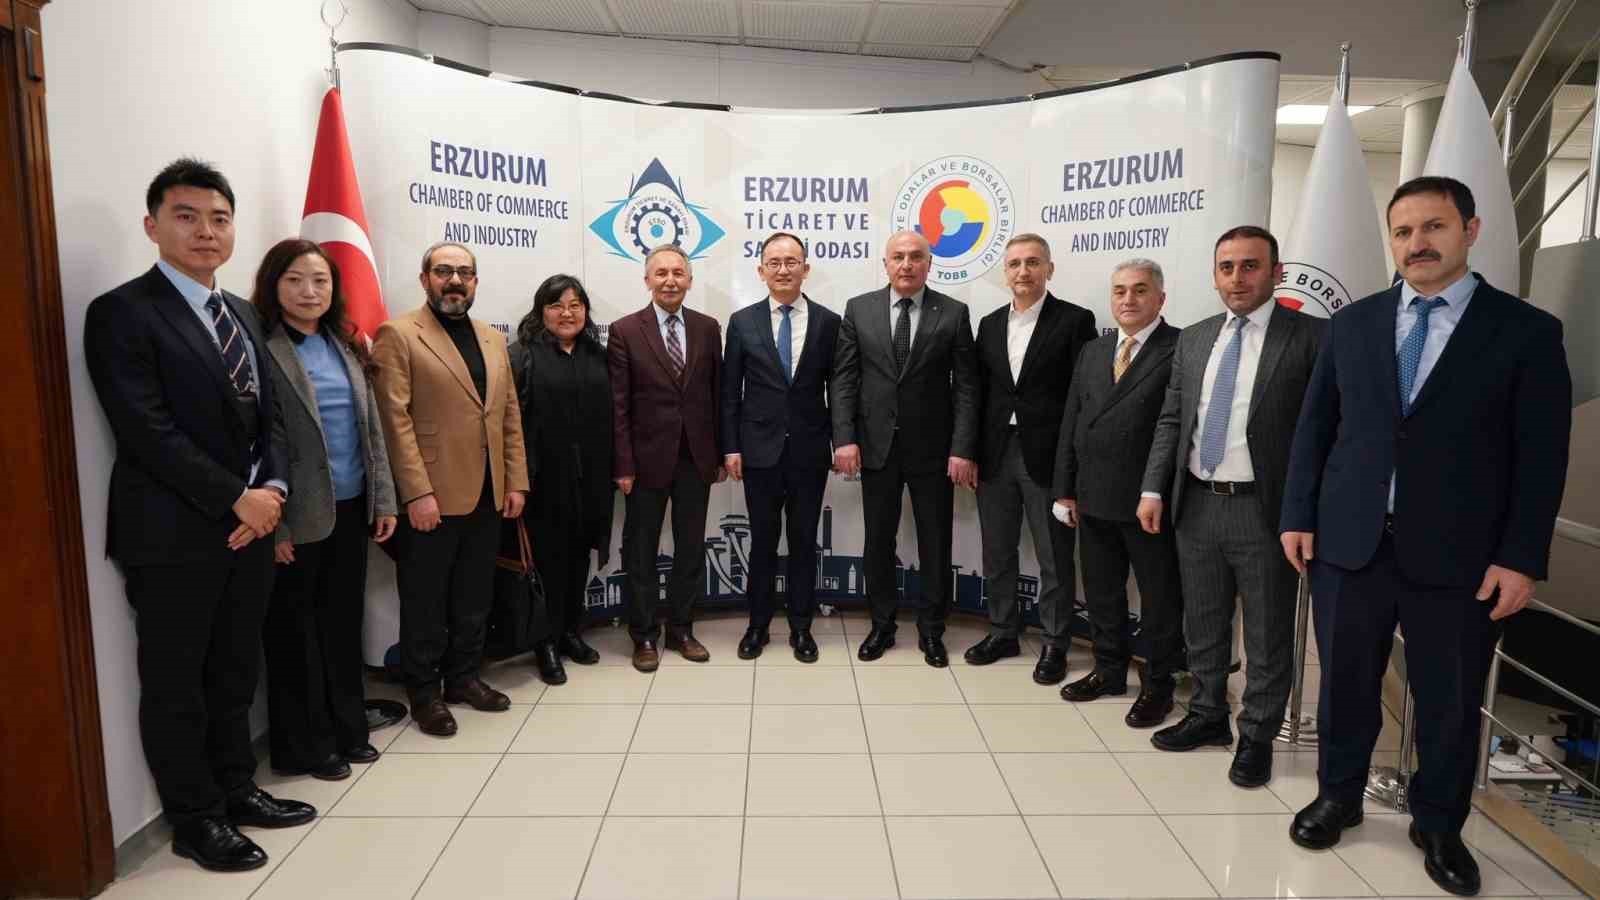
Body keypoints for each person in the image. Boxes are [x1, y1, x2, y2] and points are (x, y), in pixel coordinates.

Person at [1280, 176, 1571, 896]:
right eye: (1404, 231)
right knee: (1345, 684)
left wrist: (1521, 558)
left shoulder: (1526, 332)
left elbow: (1541, 458)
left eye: (1434, 226)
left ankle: (1438, 824)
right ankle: (1338, 796)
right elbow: (1317, 428)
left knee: (1449, 699)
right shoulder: (1353, 324)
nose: (1418, 243)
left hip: (1463, 557)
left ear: (1470, 230)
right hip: (1350, 545)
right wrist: (1298, 514)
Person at [83, 158, 314, 872]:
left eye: (218, 218)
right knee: (176, 683)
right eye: (186, 217)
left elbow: (273, 418)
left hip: (253, 527)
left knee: (235, 672)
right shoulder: (122, 312)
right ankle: (194, 818)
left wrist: (273, 491)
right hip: (173, 535)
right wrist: (235, 497)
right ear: (153, 226)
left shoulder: (241, 311)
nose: (205, 231)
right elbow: (146, 429)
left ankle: (237, 788)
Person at [1136, 225, 1325, 788]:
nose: (1237, 278)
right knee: (1203, 621)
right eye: (1226, 267)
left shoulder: (1312, 337)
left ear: (1276, 272)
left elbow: (1325, 432)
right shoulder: (1195, 338)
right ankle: (1207, 713)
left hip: (1265, 511)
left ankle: (1257, 736)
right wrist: (1153, 489)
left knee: (1266, 632)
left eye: (1250, 265)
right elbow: (1174, 419)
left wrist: (1306, 513)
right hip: (1196, 502)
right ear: (1214, 275)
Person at [253, 238, 397, 780]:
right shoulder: (262, 347)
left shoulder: (345, 342)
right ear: (274, 286)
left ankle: (347, 729)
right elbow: (259, 439)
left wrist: (383, 498)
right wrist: (276, 527)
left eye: (320, 280)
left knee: (341, 624)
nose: (309, 291)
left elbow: (371, 427)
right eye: (294, 280)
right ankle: (306, 747)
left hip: (352, 506)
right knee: (295, 634)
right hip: (296, 516)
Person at [371, 241, 528, 737]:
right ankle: (424, 692)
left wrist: (515, 479)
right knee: (424, 600)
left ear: (475, 282)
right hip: (431, 498)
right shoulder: (399, 334)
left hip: (487, 492)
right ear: (425, 279)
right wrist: (416, 493)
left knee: (474, 595)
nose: (454, 280)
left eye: (464, 272)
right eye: (444, 271)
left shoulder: (492, 339)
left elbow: (507, 415)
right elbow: (393, 421)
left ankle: (464, 678)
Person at [832, 230, 979, 667]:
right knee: (878, 540)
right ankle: (882, 625)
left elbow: (966, 387)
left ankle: (932, 630)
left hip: (934, 450)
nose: (907, 264)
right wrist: (844, 438)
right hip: (875, 446)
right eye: (898, 256)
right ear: (886, 264)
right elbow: (844, 379)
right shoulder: (859, 309)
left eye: (916, 257)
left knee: (935, 541)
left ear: (929, 264)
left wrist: (962, 447)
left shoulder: (953, 313)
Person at [1054, 258, 1184, 728]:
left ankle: (1159, 684)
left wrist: (1156, 490)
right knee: (1102, 592)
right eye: (1119, 291)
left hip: (1149, 501)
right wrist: (1065, 489)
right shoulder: (1095, 350)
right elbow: (1073, 420)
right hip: (1093, 495)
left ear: (1160, 298)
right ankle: (1109, 671)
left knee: (1159, 599)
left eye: (1139, 290)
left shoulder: (1180, 347)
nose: (1128, 299)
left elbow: (1176, 428)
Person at [969, 233, 1096, 683]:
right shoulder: (988, 324)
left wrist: (1071, 467)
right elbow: (977, 393)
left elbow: (1082, 397)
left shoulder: (1075, 321)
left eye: (1033, 262)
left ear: (1049, 269)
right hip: (995, 454)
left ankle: (1055, 642)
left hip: (1049, 456)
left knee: (1054, 557)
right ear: (1005, 272)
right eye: (1015, 264)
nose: (1023, 271)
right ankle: (1003, 631)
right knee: (997, 550)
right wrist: (970, 451)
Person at [721, 232, 841, 662]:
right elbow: (729, 392)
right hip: (758, 451)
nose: (783, 269)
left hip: (810, 450)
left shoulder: (829, 322)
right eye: (774, 262)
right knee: (763, 542)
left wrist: (841, 442)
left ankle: (801, 627)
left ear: (806, 269)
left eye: (792, 262)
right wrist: (731, 447)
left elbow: (838, 388)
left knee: (805, 540)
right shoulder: (742, 322)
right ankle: (757, 625)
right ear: (761, 271)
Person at [609, 244, 725, 672]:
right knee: (641, 549)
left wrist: (718, 453)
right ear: (647, 280)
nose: (670, 280)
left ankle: (681, 629)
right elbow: (618, 406)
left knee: (691, 548)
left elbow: (717, 396)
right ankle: (643, 635)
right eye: (661, 273)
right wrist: (623, 464)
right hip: (644, 463)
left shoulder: (708, 328)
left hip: (696, 458)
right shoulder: (624, 330)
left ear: (690, 280)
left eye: (678, 273)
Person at [509, 274, 615, 685]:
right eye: (556, 305)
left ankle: (571, 631)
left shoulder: (598, 354)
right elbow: (510, 424)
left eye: (575, 305)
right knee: (547, 563)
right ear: (541, 312)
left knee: (578, 558)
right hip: (543, 482)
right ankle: (545, 642)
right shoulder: (522, 355)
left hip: (591, 480)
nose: (566, 313)